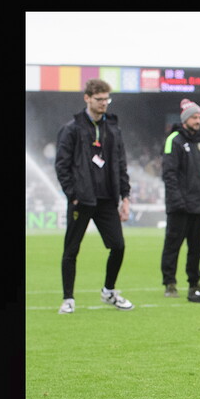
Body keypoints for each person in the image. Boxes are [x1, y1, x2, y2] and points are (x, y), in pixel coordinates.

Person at [54, 78, 134, 314]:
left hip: (108, 199)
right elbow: (62, 166)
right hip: (82, 199)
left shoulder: (113, 129)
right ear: (87, 98)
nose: (103, 104)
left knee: (118, 246)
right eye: (99, 99)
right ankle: (68, 298)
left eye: (106, 99)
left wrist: (125, 196)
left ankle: (109, 291)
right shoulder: (72, 129)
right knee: (71, 249)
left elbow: (121, 164)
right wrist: (73, 195)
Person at [160, 99, 200, 299]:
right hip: (180, 207)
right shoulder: (174, 140)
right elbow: (169, 175)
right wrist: (178, 202)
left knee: (196, 248)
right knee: (173, 245)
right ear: (185, 118)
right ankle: (169, 283)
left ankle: (194, 282)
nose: (198, 120)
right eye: (194, 117)